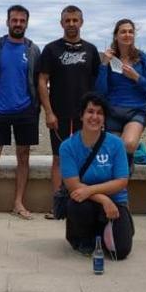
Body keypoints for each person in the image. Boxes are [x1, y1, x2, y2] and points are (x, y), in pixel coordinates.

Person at [0, 4, 41, 221]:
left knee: (23, 156)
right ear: (8, 22)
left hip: (25, 110)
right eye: (15, 20)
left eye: (22, 21)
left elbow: (39, 82)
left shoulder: (32, 50)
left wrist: (36, 107)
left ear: (27, 23)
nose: (18, 24)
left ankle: (18, 203)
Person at [38, 5, 101, 219]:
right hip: (60, 114)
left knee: (86, 157)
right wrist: (48, 112)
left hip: (86, 116)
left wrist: (96, 114)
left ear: (81, 22)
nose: (71, 24)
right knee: (59, 158)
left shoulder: (91, 50)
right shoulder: (51, 49)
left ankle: (83, 202)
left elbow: (97, 83)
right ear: (61, 23)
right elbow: (42, 80)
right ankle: (58, 206)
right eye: (68, 20)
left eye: (75, 20)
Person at [60, 93, 134, 259]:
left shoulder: (116, 144)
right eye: (90, 111)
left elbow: (122, 181)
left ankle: (113, 229)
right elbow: (73, 185)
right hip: (85, 201)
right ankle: (84, 237)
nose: (94, 117)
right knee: (78, 204)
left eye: (99, 113)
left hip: (115, 201)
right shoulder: (67, 146)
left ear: (105, 118)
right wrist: (103, 199)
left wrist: (95, 192)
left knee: (121, 252)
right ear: (81, 115)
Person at [95, 18, 146, 169]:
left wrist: (136, 77)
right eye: (123, 31)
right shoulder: (109, 59)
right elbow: (100, 91)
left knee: (127, 144)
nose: (127, 35)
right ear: (116, 36)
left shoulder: (142, 58)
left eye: (130, 32)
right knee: (111, 158)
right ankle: (122, 183)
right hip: (112, 112)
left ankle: (136, 148)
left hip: (136, 111)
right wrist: (104, 64)